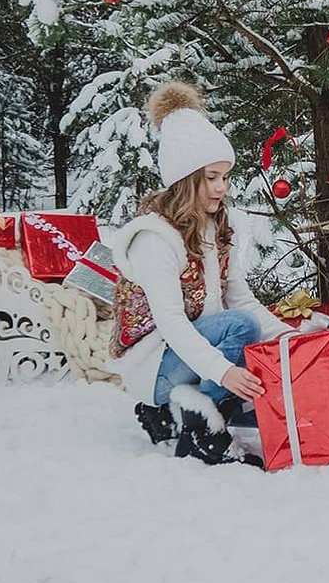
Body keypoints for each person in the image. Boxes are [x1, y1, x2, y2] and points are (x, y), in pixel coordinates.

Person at [108, 81, 293, 466]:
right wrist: (223, 373)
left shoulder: (213, 228)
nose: (221, 187)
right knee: (239, 329)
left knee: (259, 404)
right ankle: (200, 425)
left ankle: (180, 412)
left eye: (225, 177)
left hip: (192, 354)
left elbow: (242, 297)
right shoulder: (155, 239)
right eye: (211, 177)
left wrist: (292, 340)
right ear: (186, 177)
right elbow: (172, 322)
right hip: (155, 362)